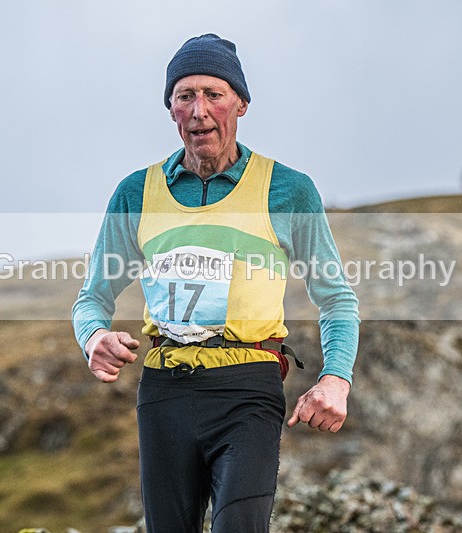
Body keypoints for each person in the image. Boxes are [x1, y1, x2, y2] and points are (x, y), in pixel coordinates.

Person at [72, 33, 359, 533]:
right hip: (164, 391)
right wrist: (93, 337)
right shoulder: (136, 192)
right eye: (185, 95)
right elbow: (92, 297)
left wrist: (336, 378)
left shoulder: (288, 190)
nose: (199, 110)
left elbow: (336, 299)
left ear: (241, 104)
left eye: (214, 94)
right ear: (171, 109)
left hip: (248, 388)